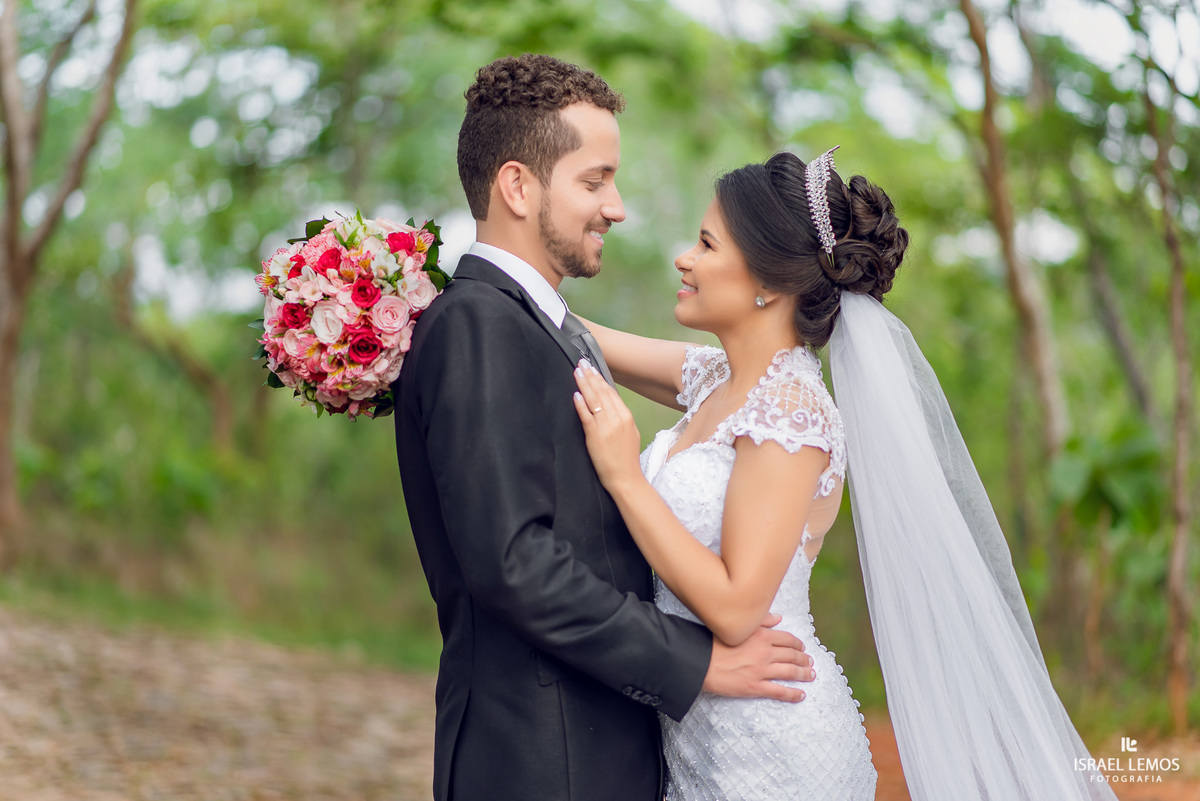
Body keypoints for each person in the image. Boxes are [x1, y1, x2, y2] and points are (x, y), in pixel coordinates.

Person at [571, 149, 1119, 800]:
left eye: (707, 244)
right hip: (699, 734)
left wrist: (625, 478)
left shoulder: (790, 412)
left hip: (770, 748)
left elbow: (737, 608)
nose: (683, 259)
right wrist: (475, 276)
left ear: (769, 281)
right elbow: (577, 337)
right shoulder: (716, 378)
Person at [392, 54, 814, 801]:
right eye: (594, 181)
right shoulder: (477, 326)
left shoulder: (541, 325)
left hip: (601, 748)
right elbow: (513, 562)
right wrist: (694, 661)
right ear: (517, 186)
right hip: (540, 759)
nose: (616, 207)